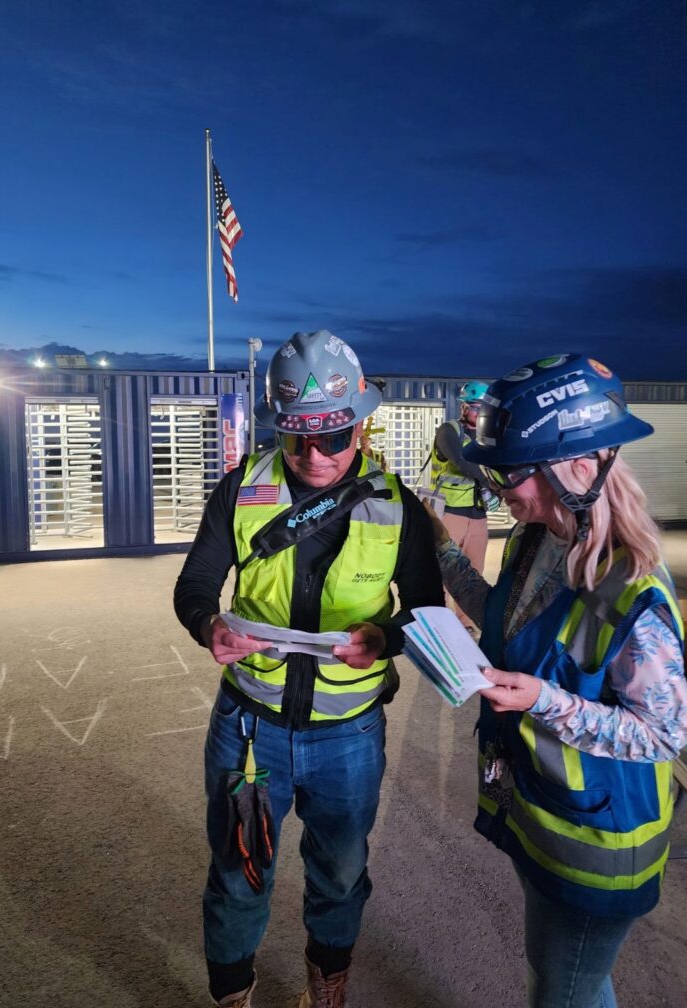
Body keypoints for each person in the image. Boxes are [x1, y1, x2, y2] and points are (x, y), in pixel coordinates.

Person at [174, 329, 444, 1008]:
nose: (315, 456)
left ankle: (327, 990)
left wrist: (382, 639)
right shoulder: (241, 488)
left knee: (340, 874)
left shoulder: (397, 505)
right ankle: (232, 995)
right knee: (239, 872)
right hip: (248, 729)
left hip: (348, 734)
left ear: (359, 423)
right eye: (298, 439)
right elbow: (196, 584)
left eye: (332, 438)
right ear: (279, 428)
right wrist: (209, 625)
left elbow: (426, 610)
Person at [426, 354, 686, 1008]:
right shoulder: (534, 539)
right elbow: (499, 613)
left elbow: (663, 735)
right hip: (547, 815)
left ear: (577, 469)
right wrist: (438, 548)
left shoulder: (633, 592)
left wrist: (546, 700)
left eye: (515, 469)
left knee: (562, 990)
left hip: (600, 846)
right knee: (572, 980)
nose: (500, 486)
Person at [429, 380, 501, 634]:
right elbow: (461, 461)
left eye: (483, 408)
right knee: (441, 572)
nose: (479, 413)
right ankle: (437, 624)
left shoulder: (487, 437)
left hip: (478, 514)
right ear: (463, 407)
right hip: (450, 513)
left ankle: (466, 624)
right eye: (474, 407)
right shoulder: (449, 431)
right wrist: (493, 481)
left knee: (473, 572)